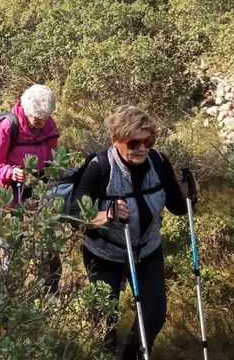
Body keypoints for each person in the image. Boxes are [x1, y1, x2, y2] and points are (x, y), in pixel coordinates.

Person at [75, 105, 190, 360]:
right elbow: (76, 212)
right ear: (116, 140)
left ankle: (132, 355)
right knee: (103, 318)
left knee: (154, 315)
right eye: (134, 142)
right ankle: (104, 353)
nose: (142, 149)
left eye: (148, 141)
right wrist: (107, 215)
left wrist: (189, 196)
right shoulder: (100, 166)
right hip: (105, 253)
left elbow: (177, 207)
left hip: (147, 250)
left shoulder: (158, 162)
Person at [0, 84, 62, 287]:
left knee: (48, 245)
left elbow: (50, 154)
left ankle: (49, 294)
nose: (41, 123)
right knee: (12, 246)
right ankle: (10, 291)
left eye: (45, 118)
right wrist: (11, 172)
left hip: (38, 193)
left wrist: (54, 169)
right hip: (11, 195)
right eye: (37, 118)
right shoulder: (8, 126)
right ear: (26, 109)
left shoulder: (47, 124)